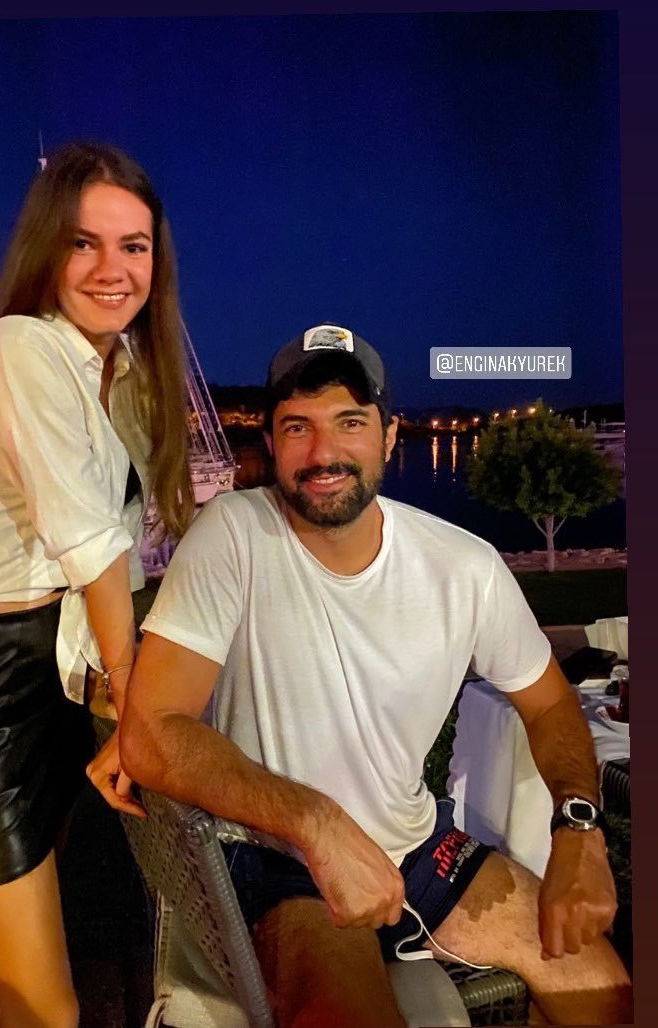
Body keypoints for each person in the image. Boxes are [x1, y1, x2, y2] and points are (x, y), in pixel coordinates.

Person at [90, 323, 633, 1026]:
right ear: (270, 442)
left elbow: (551, 703)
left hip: (416, 844)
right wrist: (318, 824)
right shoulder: (233, 534)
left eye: (350, 422)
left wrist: (580, 827)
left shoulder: (464, 567)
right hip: (277, 859)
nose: (324, 453)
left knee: (606, 994)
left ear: (388, 435)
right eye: (298, 427)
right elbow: (155, 731)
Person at [0, 140, 194, 1028]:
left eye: (133, 246)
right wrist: (134, 711)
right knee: (46, 1004)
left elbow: (122, 554)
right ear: (46, 250)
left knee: (20, 972)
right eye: (83, 243)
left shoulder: (121, 372)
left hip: (48, 671)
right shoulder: (22, 349)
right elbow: (92, 550)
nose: (111, 269)